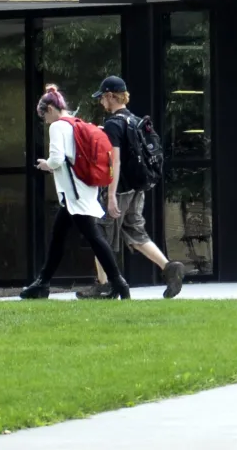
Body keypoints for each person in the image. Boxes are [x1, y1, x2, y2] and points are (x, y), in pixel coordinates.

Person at [77, 75, 187, 300]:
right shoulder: (135, 120)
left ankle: (104, 285)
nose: (101, 102)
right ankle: (170, 268)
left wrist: (111, 196)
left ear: (110, 96)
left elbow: (114, 161)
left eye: (103, 98)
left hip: (120, 189)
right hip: (138, 188)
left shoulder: (113, 124)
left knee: (100, 235)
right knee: (135, 232)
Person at [20, 85, 130, 300]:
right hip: (82, 189)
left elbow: (58, 158)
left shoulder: (58, 127)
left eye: (44, 116)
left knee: (94, 237)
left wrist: (46, 164)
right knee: (58, 236)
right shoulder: (76, 123)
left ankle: (119, 283)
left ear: (50, 109)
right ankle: (42, 282)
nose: (45, 121)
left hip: (74, 193)